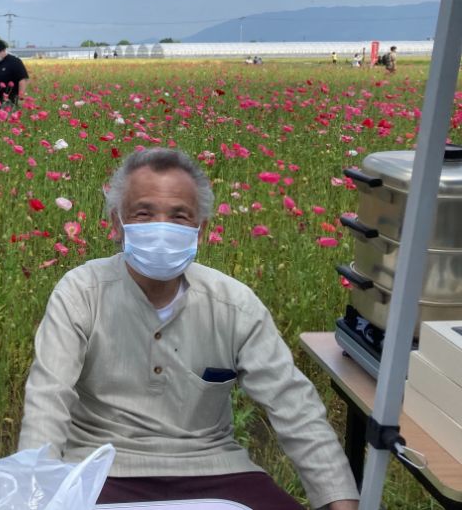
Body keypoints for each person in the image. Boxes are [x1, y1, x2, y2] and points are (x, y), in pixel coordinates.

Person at [18, 147, 359, 510]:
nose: (161, 229)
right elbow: (47, 400)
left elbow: (295, 407)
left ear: (200, 231)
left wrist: (339, 500)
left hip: (214, 467)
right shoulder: (81, 292)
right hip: (102, 463)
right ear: (117, 225)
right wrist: (33, 491)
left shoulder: (233, 303)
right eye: (144, 214)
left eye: (179, 217)